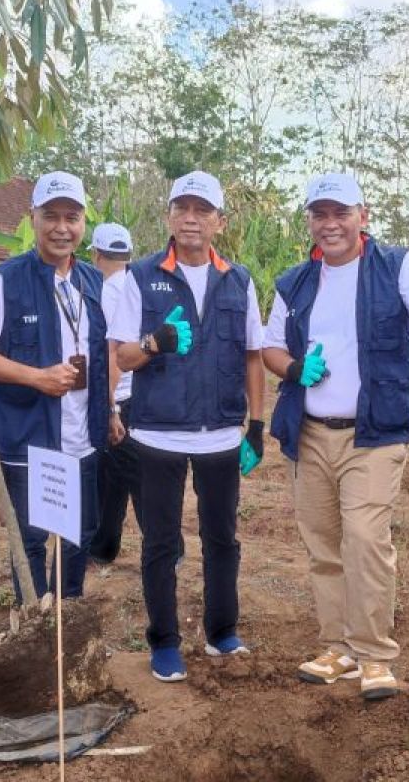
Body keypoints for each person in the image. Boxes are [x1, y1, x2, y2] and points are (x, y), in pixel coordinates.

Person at [263, 173, 409, 700]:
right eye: (320, 214)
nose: (330, 224)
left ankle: (374, 653)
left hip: (374, 433)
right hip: (309, 434)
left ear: (364, 215)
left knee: (364, 539)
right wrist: (293, 370)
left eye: (341, 213)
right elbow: (270, 349)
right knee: (323, 545)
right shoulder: (294, 283)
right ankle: (337, 647)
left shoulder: (397, 269)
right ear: (310, 221)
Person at [109, 171, 265, 683]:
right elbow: (123, 357)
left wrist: (256, 426)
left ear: (220, 221)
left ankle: (222, 633)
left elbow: (252, 358)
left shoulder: (239, 281)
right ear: (169, 216)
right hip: (157, 436)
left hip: (221, 436)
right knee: (160, 544)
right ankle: (166, 642)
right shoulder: (139, 277)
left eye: (202, 210)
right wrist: (155, 342)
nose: (191, 218)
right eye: (182, 208)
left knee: (223, 539)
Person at [0, 171, 123, 602]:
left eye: (71, 217)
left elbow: (101, 352)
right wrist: (37, 377)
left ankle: (67, 617)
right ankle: (33, 624)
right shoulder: (5, 281)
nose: (61, 227)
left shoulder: (92, 282)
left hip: (81, 437)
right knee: (32, 538)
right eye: (50, 216)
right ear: (31, 218)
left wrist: (109, 410)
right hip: (27, 438)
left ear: (84, 222)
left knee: (78, 536)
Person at [87, 223, 142, 565]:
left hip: (118, 396)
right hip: (141, 393)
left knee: (125, 476)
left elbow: (111, 355)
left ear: (95, 255)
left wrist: (110, 409)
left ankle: (169, 549)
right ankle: (104, 546)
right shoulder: (139, 285)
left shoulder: (107, 292)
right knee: (116, 476)